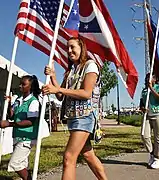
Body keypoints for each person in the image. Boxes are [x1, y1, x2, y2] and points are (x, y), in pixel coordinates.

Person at [42, 37, 107, 180]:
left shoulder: (90, 66)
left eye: (73, 47)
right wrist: (53, 76)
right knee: (88, 154)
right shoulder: (71, 70)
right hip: (73, 117)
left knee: (68, 158)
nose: (69, 51)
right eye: (68, 48)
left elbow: (86, 93)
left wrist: (58, 89)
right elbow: (60, 96)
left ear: (81, 48)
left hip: (85, 117)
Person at [0, 75, 41, 180]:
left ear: (30, 87)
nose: (20, 86)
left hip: (27, 137)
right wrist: (9, 104)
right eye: (20, 84)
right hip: (17, 136)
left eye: (23, 84)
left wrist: (9, 124)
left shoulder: (33, 101)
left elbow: (30, 122)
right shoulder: (19, 100)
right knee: (22, 164)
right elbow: (13, 116)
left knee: (15, 164)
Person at [140, 73, 159, 169]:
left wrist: (151, 89)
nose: (147, 79)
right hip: (147, 115)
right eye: (146, 77)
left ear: (154, 79)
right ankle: (152, 153)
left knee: (158, 136)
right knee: (144, 135)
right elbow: (141, 104)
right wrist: (143, 108)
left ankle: (158, 158)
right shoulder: (143, 91)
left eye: (150, 77)